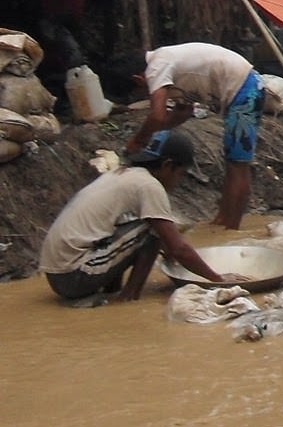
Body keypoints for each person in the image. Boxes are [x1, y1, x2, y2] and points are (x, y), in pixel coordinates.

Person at [39, 130, 241, 303]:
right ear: (167, 166)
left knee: (140, 230)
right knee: (152, 231)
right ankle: (129, 298)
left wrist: (171, 255)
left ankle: (112, 292)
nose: (178, 181)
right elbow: (178, 247)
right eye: (180, 174)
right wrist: (217, 280)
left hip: (58, 274)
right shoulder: (148, 185)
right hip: (72, 276)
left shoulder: (124, 174)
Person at [122, 42, 266, 230]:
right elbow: (182, 113)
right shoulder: (167, 65)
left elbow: (156, 115)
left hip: (246, 90)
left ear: (138, 79)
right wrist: (152, 136)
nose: (147, 94)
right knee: (232, 162)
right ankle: (222, 220)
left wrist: (138, 140)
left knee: (237, 165)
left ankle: (231, 229)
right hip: (243, 88)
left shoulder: (156, 66)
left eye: (141, 92)